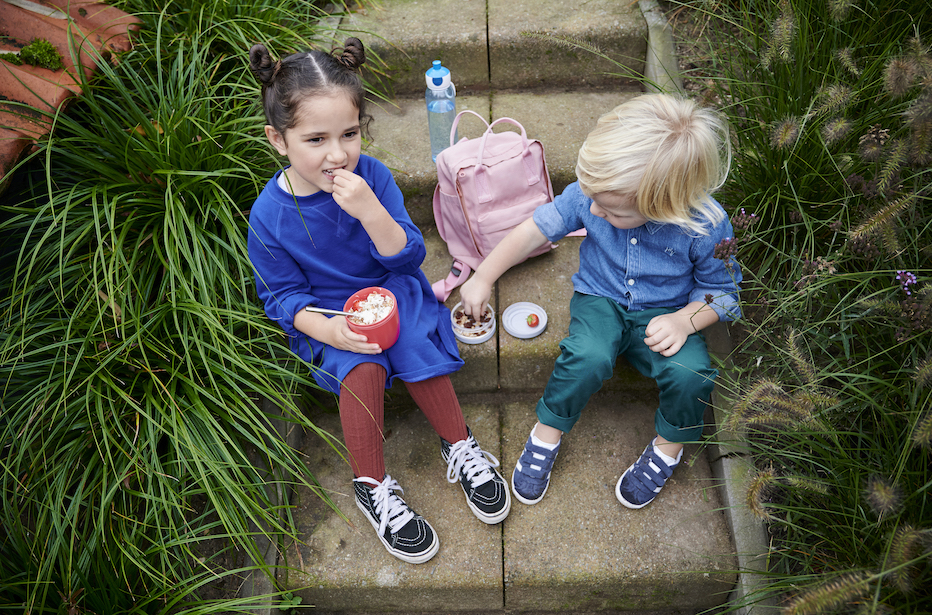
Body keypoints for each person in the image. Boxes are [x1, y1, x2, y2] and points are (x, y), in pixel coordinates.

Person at [246, 39, 510, 564]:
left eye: (349, 133)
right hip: (330, 312)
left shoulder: (375, 179)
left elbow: (407, 257)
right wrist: (325, 329)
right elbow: (282, 296)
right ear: (279, 139)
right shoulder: (269, 215)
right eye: (315, 138)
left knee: (412, 340)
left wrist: (370, 211)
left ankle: (459, 444)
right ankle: (372, 483)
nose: (337, 153)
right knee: (361, 366)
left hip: (391, 289)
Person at [460, 93, 742, 510]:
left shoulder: (706, 225)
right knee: (587, 355)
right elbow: (535, 230)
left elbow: (722, 291)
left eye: (610, 211)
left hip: (669, 312)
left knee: (692, 373)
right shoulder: (595, 195)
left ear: (662, 205)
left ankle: (669, 447)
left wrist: (685, 321)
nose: (592, 210)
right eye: (592, 199)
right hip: (601, 298)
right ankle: (547, 432)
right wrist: (483, 276)